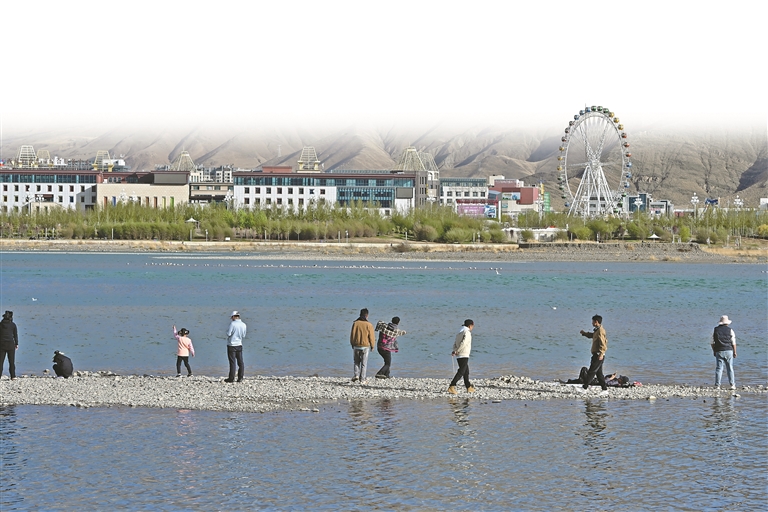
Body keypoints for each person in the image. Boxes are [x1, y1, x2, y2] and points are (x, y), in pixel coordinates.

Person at [578, 315, 608, 393]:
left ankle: (585, 387)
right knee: (599, 373)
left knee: (591, 371)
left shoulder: (600, 331)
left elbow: (603, 344)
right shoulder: (597, 330)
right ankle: (604, 389)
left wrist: (601, 353)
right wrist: (584, 333)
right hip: (596, 354)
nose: (592, 323)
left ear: (596, 322)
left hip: (598, 355)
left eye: (593, 321)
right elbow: (592, 335)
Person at [448, 319, 475, 394]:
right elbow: (464, 343)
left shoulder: (460, 332)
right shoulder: (467, 332)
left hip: (459, 354)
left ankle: (468, 387)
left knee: (466, 371)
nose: (472, 328)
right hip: (463, 353)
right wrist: (457, 350)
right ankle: (452, 386)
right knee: (461, 371)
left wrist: (455, 350)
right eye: (472, 326)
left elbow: (455, 343)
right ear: (470, 326)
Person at [350, 308, 375, 383]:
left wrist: (352, 343)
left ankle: (356, 375)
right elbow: (371, 336)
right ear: (367, 315)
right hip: (365, 346)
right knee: (364, 363)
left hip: (356, 345)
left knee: (356, 362)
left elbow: (352, 335)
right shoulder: (369, 324)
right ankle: (362, 379)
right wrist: (372, 345)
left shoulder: (355, 323)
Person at [711, 315, 737, 389]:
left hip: (719, 350)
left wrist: (714, 350)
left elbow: (712, 342)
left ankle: (717, 385)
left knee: (719, 368)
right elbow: (733, 342)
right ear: (727, 323)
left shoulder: (715, 330)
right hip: (729, 350)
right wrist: (735, 352)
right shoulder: (730, 330)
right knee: (730, 368)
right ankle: (732, 385)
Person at [225, 311, 247, 383]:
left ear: (234, 317)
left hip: (232, 345)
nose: (231, 319)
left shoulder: (232, 324)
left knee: (232, 362)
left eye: (231, 317)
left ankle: (231, 378)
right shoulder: (244, 324)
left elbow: (228, 334)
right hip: (239, 344)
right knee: (240, 362)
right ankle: (240, 377)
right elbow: (243, 335)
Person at [0, 311, 19, 380]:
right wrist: (16, 343)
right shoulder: (13, 325)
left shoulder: (0, 324)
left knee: (0, 361)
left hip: (1, 344)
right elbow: (15, 335)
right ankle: (13, 376)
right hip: (10, 344)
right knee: (11, 361)